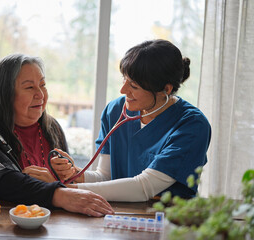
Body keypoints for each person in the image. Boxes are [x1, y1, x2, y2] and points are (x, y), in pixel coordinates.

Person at [50, 39, 212, 201]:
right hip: (117, 214)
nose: (123, 90)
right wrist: (75, 175)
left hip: (169, 219)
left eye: (134, 86)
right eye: (124, 80)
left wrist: (65, 190)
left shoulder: (192, 126)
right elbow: (105, 176)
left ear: (166, 89)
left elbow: (143, 187)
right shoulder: (114, 111)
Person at [0, 53, 114, 217]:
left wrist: (68, 174)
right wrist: (58, 193)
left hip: (43, 222)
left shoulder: (52, 127)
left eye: (43, 85)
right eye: (29, 87)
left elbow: (62, 185)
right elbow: (2, 181)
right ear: (6, 94)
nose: (40, 94)